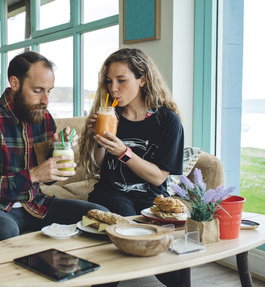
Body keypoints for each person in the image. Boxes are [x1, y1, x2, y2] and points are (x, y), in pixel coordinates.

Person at [0, 51, 108, 245]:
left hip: (36, 204)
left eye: (49, 91)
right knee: (3, 232)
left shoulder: (44, 117)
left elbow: (47, 182)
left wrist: (58, 148)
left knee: (102, 217)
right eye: (38, 90)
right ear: (15, 83)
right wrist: (33, 175)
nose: (45, 100)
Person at [79, 48, 184, 287]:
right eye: (108, 81)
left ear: (143, 79)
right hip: (110, 193)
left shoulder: (167, 121)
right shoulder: (109, 115)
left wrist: (124, 153)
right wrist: (98, 141)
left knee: (175, 271)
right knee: (122, 216)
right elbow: (97, 165)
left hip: (151, 197)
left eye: (121, 80)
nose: (113, 88)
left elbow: (158, 178)